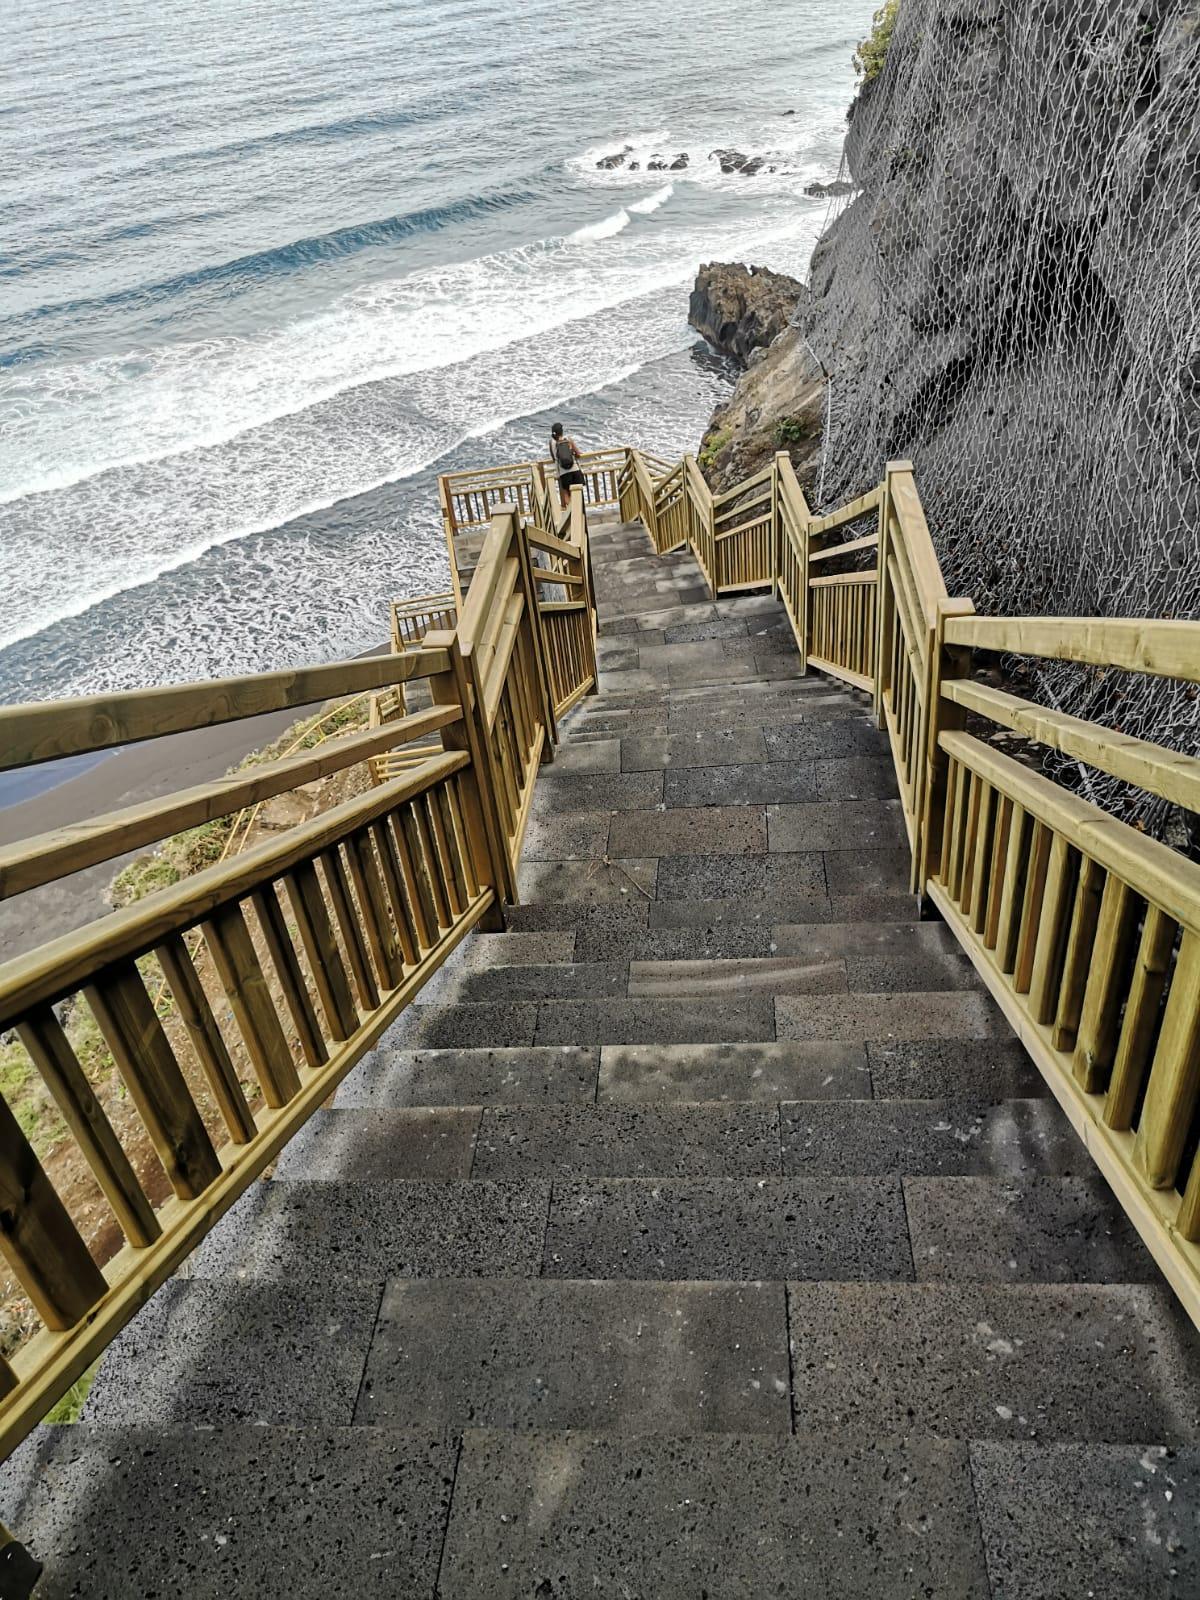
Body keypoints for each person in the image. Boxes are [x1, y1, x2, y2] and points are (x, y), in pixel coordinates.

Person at [550, 422, 584, 509]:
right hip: (575, 469)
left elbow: (554, 459)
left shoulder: (552, 443)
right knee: (578, 493)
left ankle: (572, 512)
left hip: (563, 472)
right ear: (562, 431)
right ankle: (580, 512)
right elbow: (578, 454)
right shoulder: (568, 439)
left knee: (566, 493)